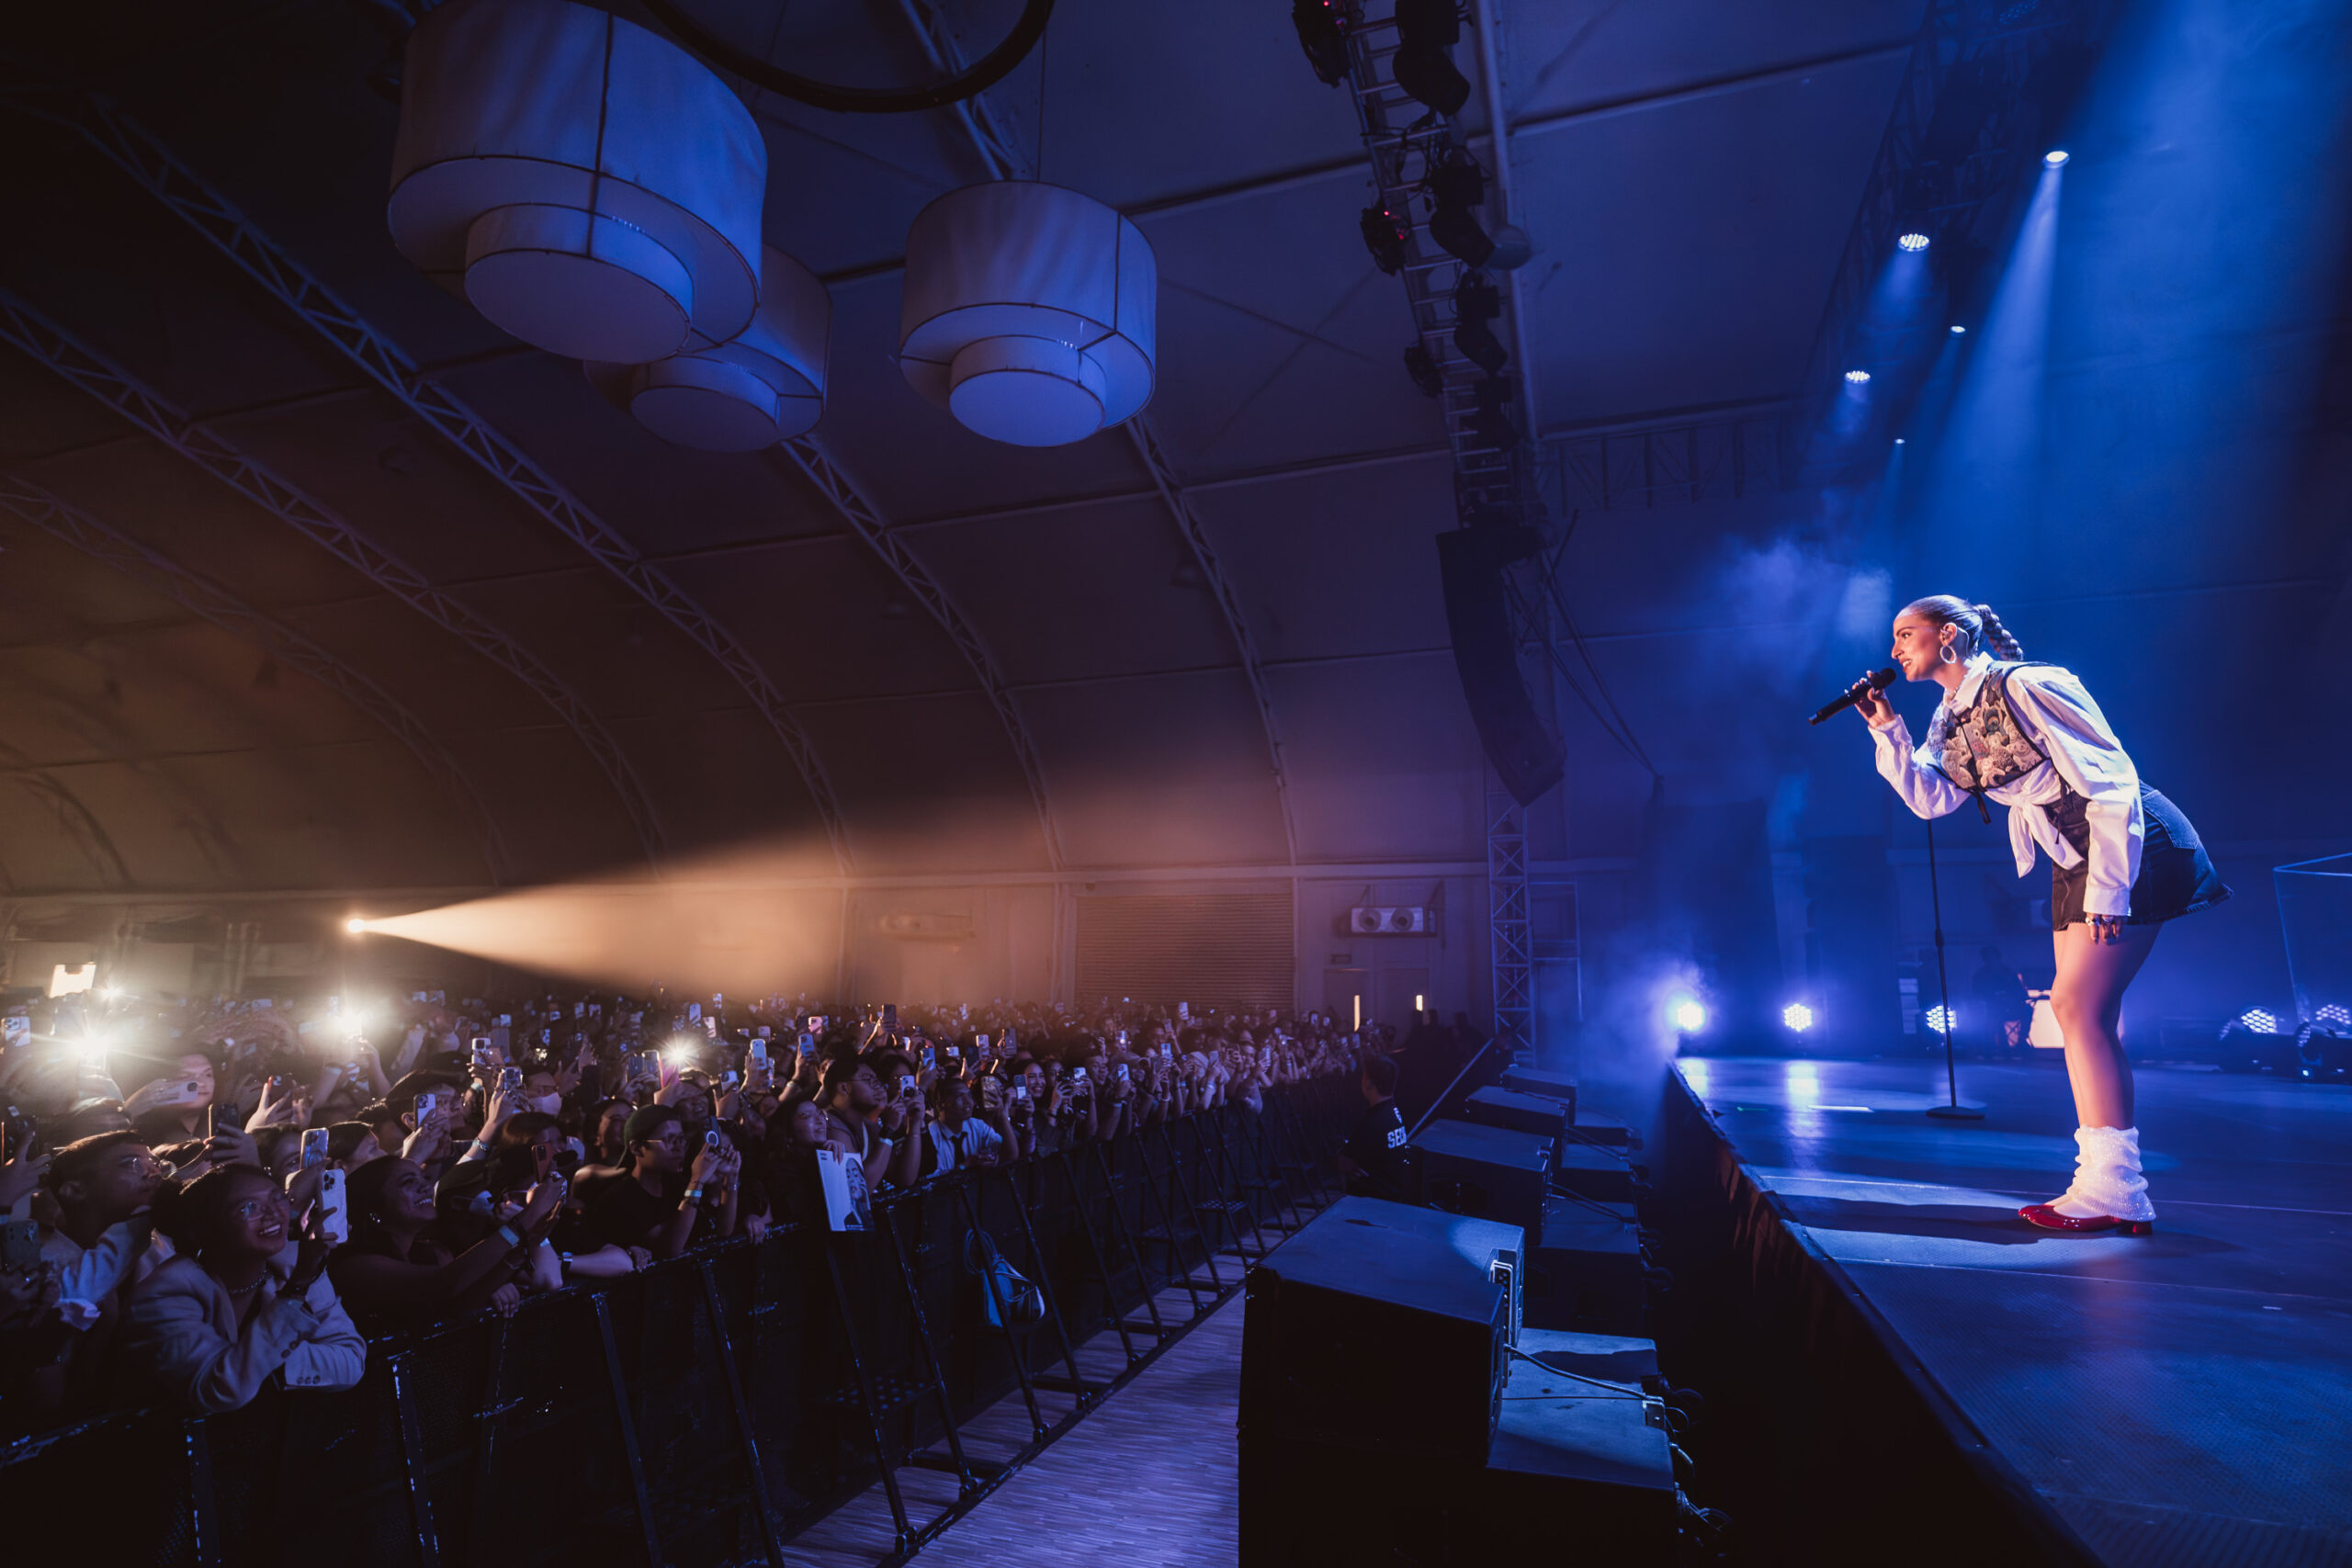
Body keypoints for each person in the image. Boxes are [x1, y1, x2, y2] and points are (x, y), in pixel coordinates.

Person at [1855, 596, 2228, 1234]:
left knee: (2079, 1009)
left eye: (1906, 634)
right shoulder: (1948, 716)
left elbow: (2111, 780)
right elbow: (1931, 801)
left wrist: (2109, 888)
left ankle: (2114, 1190)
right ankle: (2112, 1188)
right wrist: (1888, 730)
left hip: (2126, 841)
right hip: (2069, 850)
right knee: (2078, 1011)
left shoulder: (2029, 685)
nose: (1894, 649)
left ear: (1948, 636)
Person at [120, 1164, 366, 1412]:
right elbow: (221, 1390)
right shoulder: (164, 1293)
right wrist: (296, 1289)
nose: (273, 1213)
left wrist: (259, 1361)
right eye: (248, 1207)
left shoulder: (293, 1262)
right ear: (207, 1227)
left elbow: (352, 1361)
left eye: (277, 1198)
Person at [1335, 1054, 1408, 1201]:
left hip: (1373, 1200)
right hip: (1393, 1195)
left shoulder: (1373, 1123)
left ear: (1369, 1083)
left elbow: (1344, 1161)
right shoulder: (1393, 1113)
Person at [1968, 945, 2035, 1052]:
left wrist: (2011, 998)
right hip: (1991, 1009)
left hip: (2011, 1007)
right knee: (1994, 1013)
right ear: (1984, 959)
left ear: (1998, 957)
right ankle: (1999, 1044)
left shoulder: (2008, 973)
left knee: (2027, 1010)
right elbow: (1976, 995)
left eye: (1993, 957)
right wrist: (1993, 998)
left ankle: (2021, 1040)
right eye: (1988, 957)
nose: (1991, 960)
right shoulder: (1980, 976)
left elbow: (2020, 992)